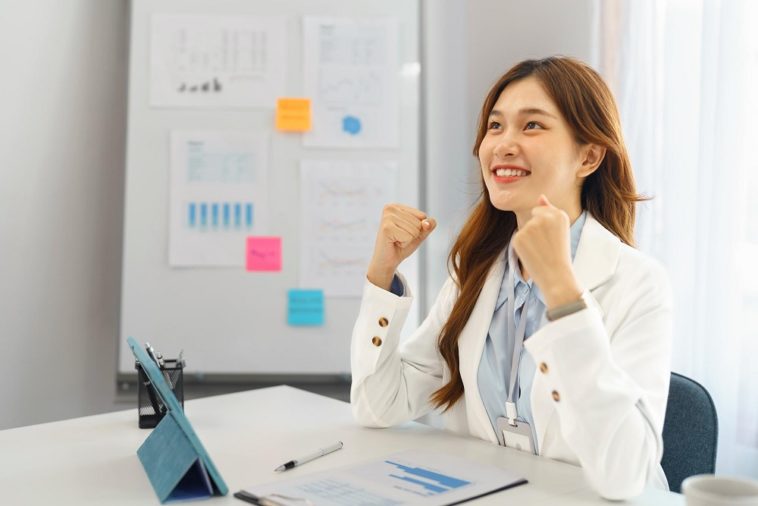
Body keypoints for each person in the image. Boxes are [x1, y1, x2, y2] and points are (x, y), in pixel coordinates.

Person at [350, 56, 672, 500]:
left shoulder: (639, 283)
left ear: (589, 155)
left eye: (532, 126)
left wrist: (562, 291)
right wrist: (382, 275)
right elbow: (379, 406)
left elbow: (624, 476)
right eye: (495, 126)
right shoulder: (478, 271)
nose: (502, 144)